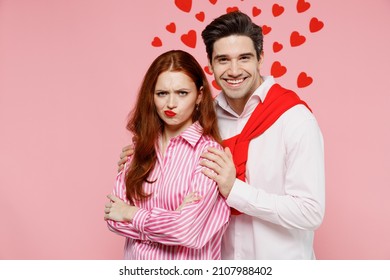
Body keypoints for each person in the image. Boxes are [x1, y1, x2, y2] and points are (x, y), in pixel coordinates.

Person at [118, 11, 325, 259]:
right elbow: (170, 157)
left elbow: (310, 211)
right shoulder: (204, 119)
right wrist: (141, 155)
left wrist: (234, 189)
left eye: (244, 58)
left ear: (261, 58)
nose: (234, 70)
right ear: (210, 64)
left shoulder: (294, 119)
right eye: (223, 60)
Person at [104, 50, 230, 260]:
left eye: (182, 93)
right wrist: (171, 219)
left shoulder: (209, 154)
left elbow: (186, 231)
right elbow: (113, 219)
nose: (171, 103)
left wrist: (131, 213)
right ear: (151, 96)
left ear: (199, 96)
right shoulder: (136, 151)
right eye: (162, 93)